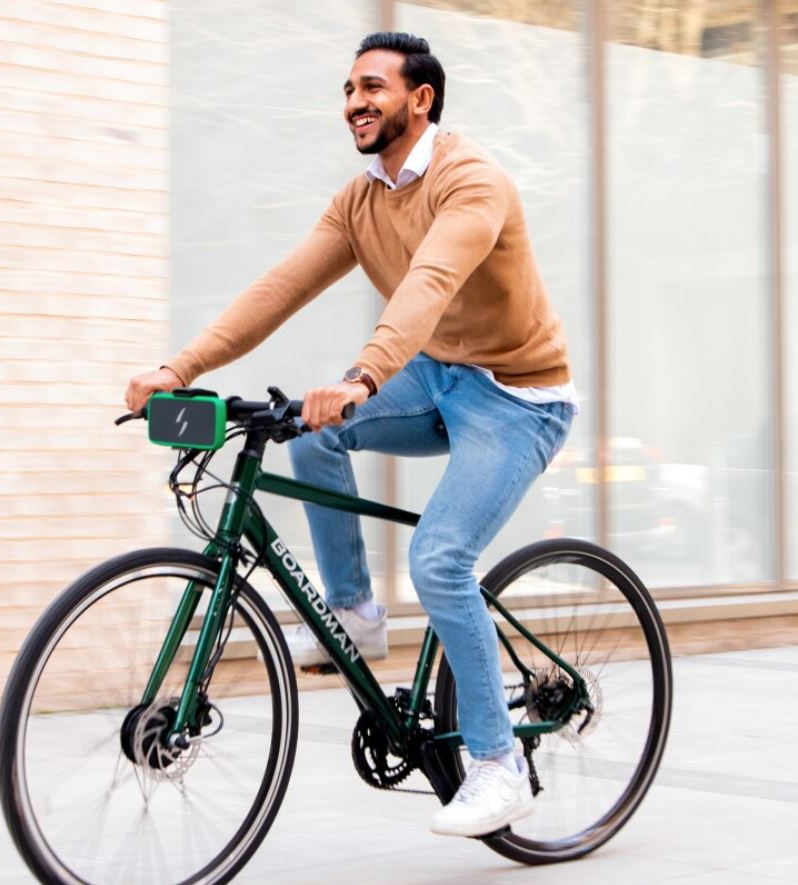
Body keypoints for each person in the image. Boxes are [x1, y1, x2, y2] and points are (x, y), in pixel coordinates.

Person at [126, 31, 576, 838]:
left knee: (439, 558)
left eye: (371, 87)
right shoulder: (359, 199)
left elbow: (431, 283)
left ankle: (499, 764)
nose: (354, 103)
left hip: (518, 398)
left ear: (420, 99)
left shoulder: (471, 181)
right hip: (437, 374)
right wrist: (180, 367)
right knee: (306, 428)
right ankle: (353, 613)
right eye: (346, 90)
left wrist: (363, 377)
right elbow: (281, 288)